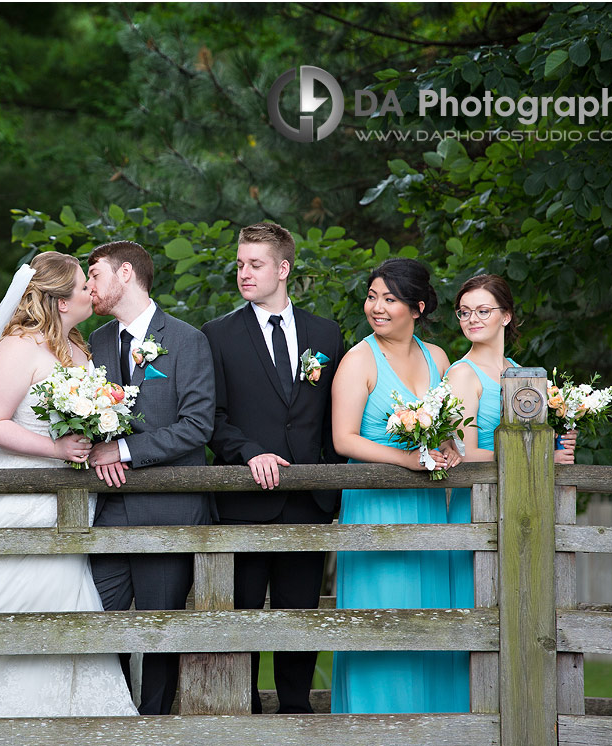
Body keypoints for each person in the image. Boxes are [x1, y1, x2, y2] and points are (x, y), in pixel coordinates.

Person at [0, 251, 138, 717]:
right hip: (20, 499)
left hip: (72, 502)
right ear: (60, 301)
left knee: (69, 605)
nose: (90, 293)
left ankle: (72, 723)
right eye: (82, 287)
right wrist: (57, 450)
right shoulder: (17, 347)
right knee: (8, 607)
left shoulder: (80, 348)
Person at [202, 223, 344, 714]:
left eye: (255, 264)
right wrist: (248, 452)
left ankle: (297, 710)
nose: (244, 273)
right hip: (245, 497)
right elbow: (211, 419)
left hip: (309, 499)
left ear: (283, 268)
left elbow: (331, 414)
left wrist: (329, 477)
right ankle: (243, 712)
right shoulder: (217, 335)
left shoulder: (326, 334)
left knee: (299, 615)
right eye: (240, 264)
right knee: (241, 614)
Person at [328, 259, 466, 714]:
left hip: (427, 506)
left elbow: (448, 428)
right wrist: (408, 460)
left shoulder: (439, 358)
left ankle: (435, 735)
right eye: (372, 297)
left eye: (389, 299)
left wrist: (446, 448)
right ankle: (374, 733)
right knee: (383, 611)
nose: (377, 307)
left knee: (430, 611)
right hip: (376, 505)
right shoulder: (358, 360)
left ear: (418, 306)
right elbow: (344, 438)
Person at [85, 240, 216, 716]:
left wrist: (121, 449)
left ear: (125, 275)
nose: (88, 285)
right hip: (107, 509)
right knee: (104, 627)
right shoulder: (93, 343)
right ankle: (113, 723)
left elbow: (198, 425)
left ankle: (156, 731)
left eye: (95, 274)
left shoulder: (186, 339)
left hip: (170, 508)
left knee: (161, 631)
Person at [446, 274, 577, 524]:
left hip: (522, 500)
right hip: (479, 502)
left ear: (505, 316)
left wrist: (560, 439)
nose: (472, 318)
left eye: (483, 311)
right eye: (464, 312)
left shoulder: (519, 372)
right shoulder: (462, 374)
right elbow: (466, 454)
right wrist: (542, 454)